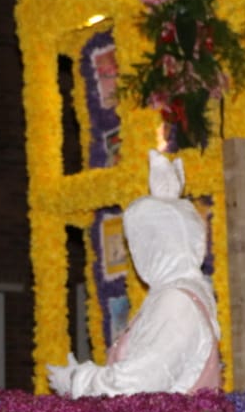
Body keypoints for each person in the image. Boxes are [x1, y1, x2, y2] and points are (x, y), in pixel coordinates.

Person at [47, 150, 221, 396]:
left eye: (138, 241)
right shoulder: (175, 294)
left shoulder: (176, 301)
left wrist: (78, 380)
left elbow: (138, 382)